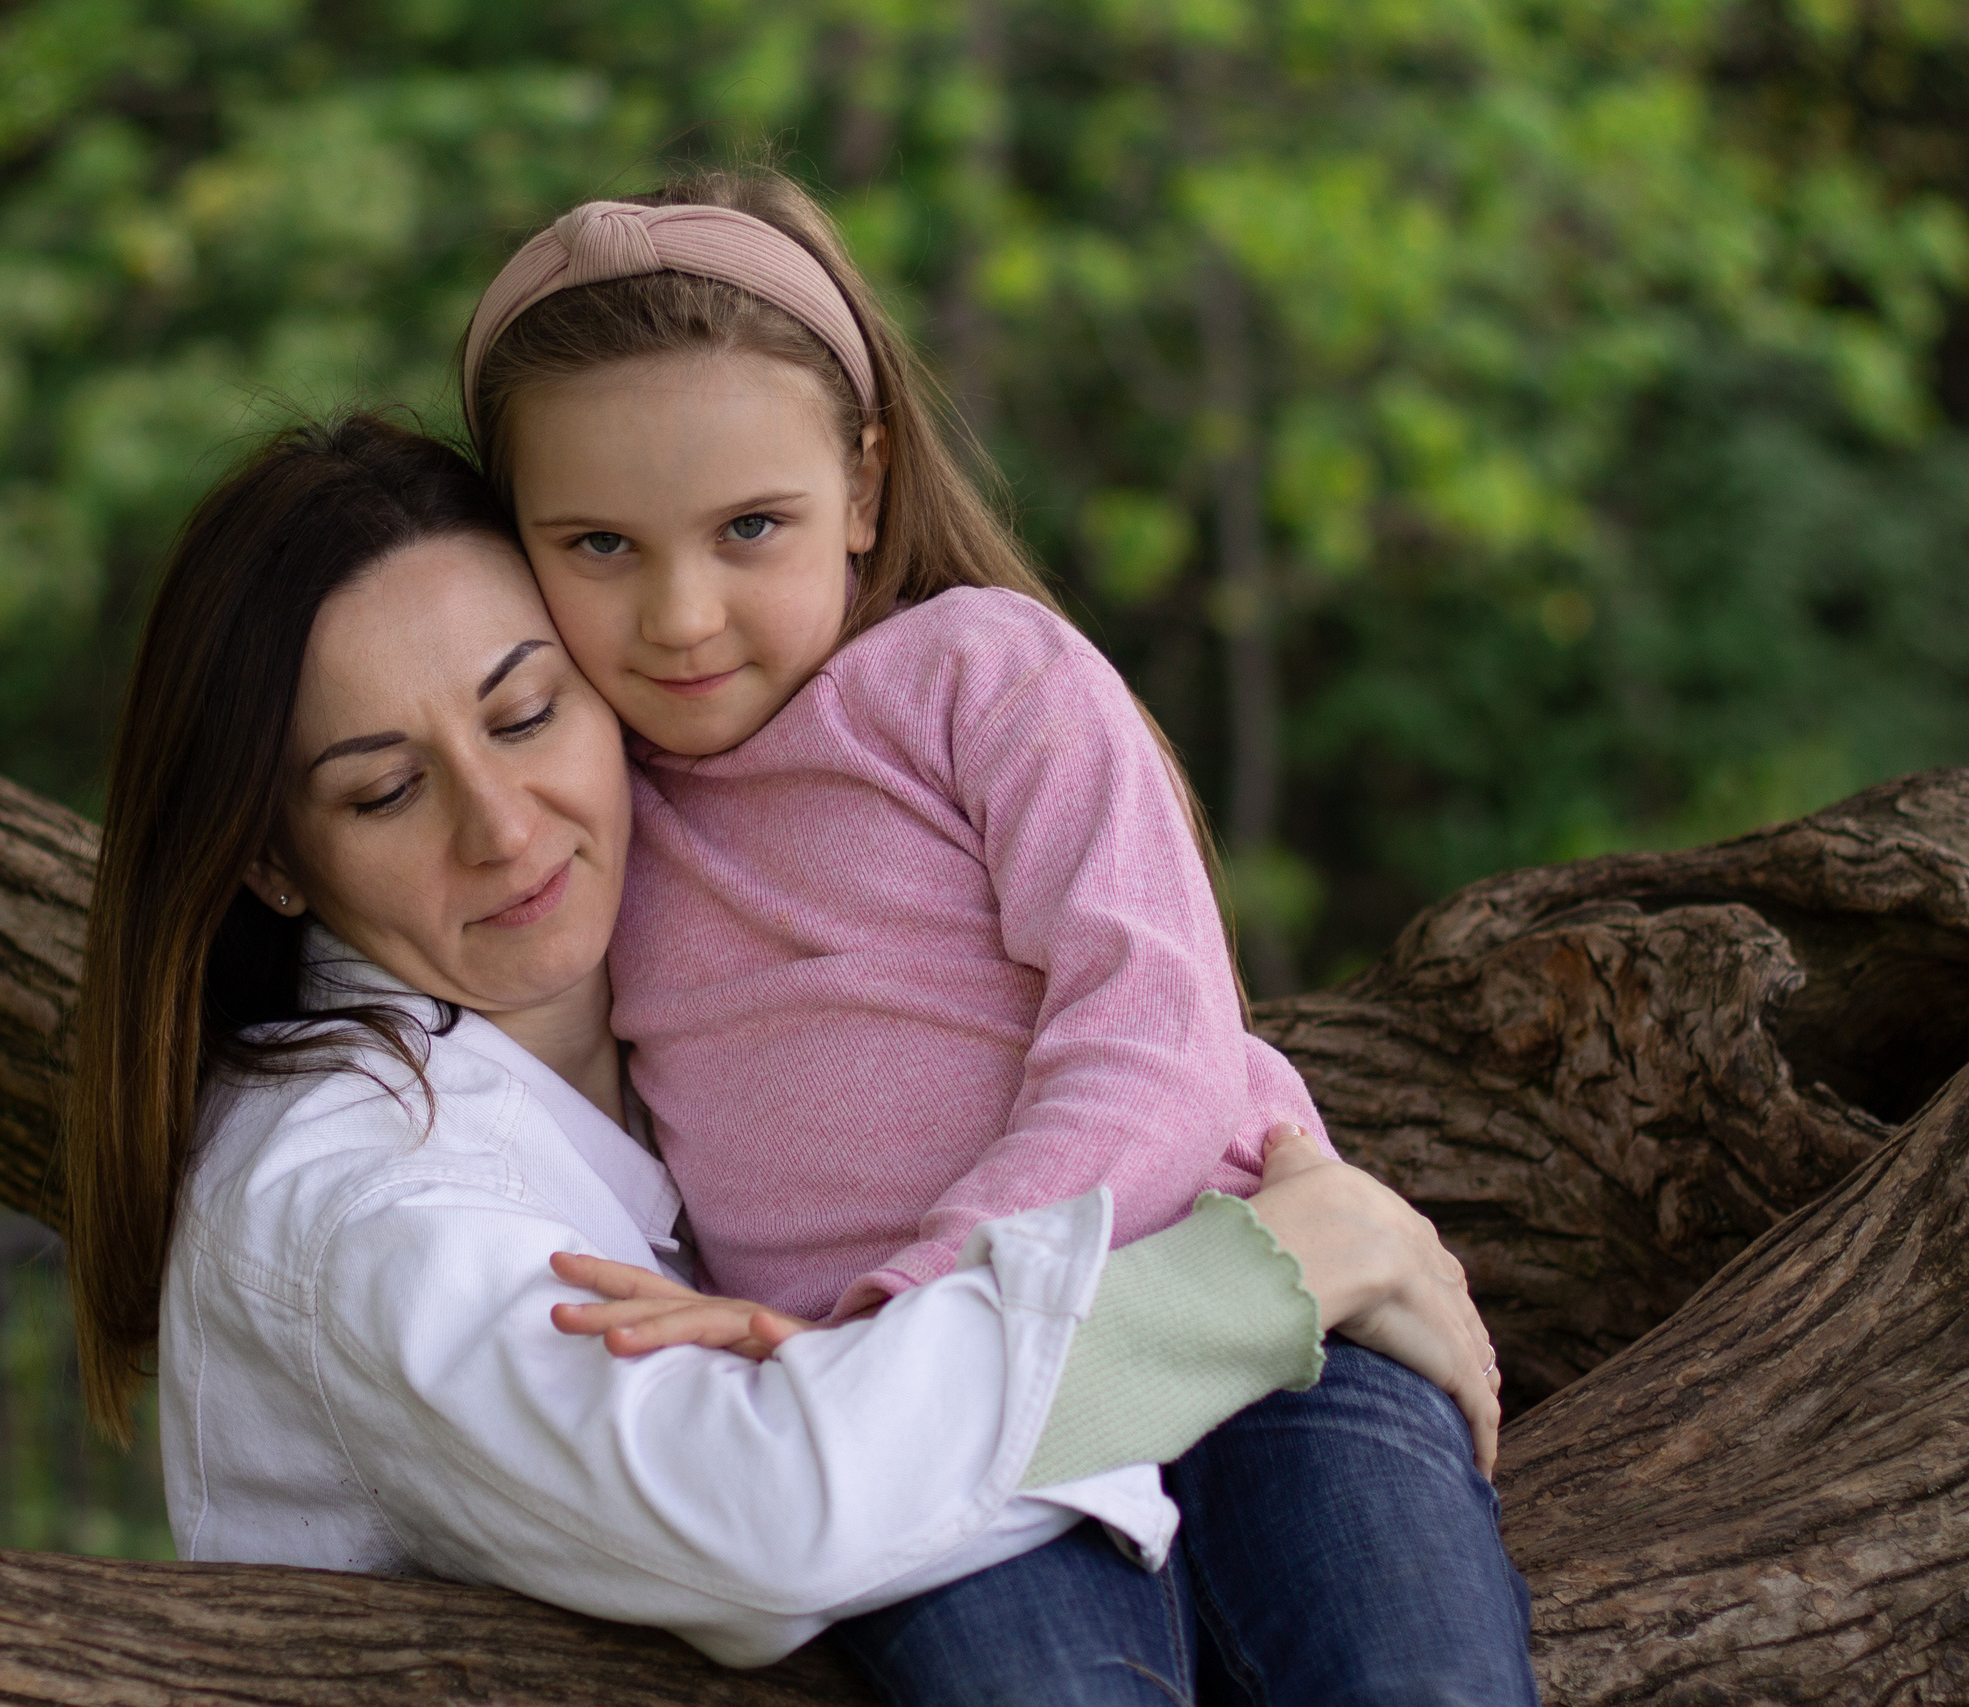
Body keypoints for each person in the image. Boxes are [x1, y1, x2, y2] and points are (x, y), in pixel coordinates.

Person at [59, 412, 1507, 1671]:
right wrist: (1286, 1270)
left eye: (525, 712)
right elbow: (782, 1510)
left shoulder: (721, 996)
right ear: (272, 860)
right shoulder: (357, 1202)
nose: (502, 829)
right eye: (384, 792)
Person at [460, 169, 1539, 1702]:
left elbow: (1157, 1037)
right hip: (934, 1451)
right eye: (600, 547)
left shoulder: (984, 677)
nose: (683, 615)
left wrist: (912, 1309)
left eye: (750, 528)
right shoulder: (576, 820)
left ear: (868, 490)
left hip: (1235, 1310)